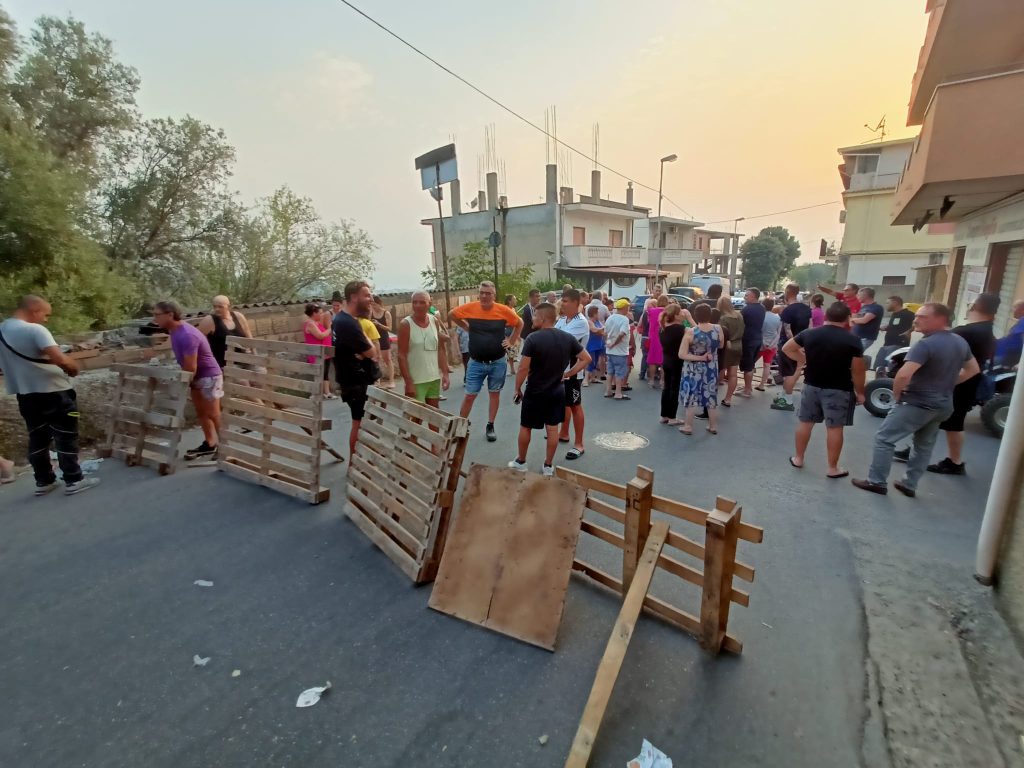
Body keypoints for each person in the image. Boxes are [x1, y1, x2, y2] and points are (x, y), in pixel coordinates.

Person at [852, 303, 979, 497]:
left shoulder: (926, 344)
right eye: (917, 316)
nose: (916, 320)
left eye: (922, 317)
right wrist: (948, 384)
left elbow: (903, 375)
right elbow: (973, 369)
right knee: (924, 445)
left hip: (919, 402)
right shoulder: (959, 341)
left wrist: (897, 395)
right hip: (943, 403)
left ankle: (876, 481)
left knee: (884, 439)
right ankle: (909, 484)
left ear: (941, 319)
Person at [0, 295, 99, 496]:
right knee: (66, 435)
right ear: (34, 310)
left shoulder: (2, 330)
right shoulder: (35, 330)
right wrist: (73, 368)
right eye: (45, 315)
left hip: (25, 394)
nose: (46, 319)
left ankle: (44, 481)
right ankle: (74, 479)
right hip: (54, 391)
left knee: (37, 437)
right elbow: (59, 358)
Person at [782, 302, 866, 478]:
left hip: (811, 385)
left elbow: (787, 348)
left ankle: (798, 458)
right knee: (835, 428)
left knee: (805, 423)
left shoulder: (810, 333)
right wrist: (861, 392)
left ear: (826, 316)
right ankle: (832, 468)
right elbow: (858, 370)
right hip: (839, 389)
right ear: (847, 319)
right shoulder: (853, 340)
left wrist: (804, 359)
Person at [509, 303, 591, 476]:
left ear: (543, 318)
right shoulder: (567, 338)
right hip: (557, 391)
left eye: (535, 316)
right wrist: (568, 373)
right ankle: (548, 465)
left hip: (535, 391)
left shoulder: (533, 339)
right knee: (552, 429)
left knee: (526, 427)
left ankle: (521, 462)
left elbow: (523, 368)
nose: (532, 319)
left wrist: (517, 388)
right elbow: (586, 358)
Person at [923, 292, 999, 475]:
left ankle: (954, 462)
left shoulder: (967, 332)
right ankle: (949, 460)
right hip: (968, 383)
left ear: (974, 306)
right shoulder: (987, 330)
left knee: (948, 421)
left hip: (958, 383)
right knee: (946, 421)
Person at [449, 281, 523, 441]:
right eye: (482, 292)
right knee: (469, 395)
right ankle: (461, 427)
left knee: (494, 394)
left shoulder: (503, 310)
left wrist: (511, 340)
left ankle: (490, 425)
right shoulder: (470, 308)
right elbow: (451, 314)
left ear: (494, 296)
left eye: (488, 293)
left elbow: (519, 323)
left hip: (497, 362)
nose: (484, 295)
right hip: (476, 362)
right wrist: (466, 327)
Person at [153, 300, 223, 461]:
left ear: (170, 314)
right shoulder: (174, 331)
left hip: (208, 376)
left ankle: (226, 447)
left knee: (214, 413)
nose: (154, 318)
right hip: (196, 377)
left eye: (157, 315)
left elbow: (191, 367)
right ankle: (210, 443)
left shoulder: (187, 334)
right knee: (202, 413)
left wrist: (183, 383)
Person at [332, 281, 379, 457]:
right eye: (366, 295)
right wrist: (367, 347)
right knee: (360, 424)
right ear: (353, 297)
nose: (370, 299)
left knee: (361, 423)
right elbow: (371, 351)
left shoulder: (341, 319)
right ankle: (356, 464)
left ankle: (359, 463)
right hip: (356, 382)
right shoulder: (349, 323)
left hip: (352, 381)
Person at [397, 290, 450, 408]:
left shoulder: (434, 321)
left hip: (433, 378)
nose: (418, 306)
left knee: (435, 416)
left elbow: (440, 349)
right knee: (416, 419)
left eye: (422, 302)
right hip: (416, 381)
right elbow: (401, 355)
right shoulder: (406, 324)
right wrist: (408, 382)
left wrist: (445, 373)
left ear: (429, 304)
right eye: (414, 302)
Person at [555, 288, 590, 460]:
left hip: (573, 372)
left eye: (566, 300)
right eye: (562, 300)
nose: (563, 303)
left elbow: (559, 341)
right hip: (560, 371)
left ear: (577, 303)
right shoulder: (562, 320)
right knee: (564, 403)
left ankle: (579, 444)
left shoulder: (580, 322)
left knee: (575, 405)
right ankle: (563, 432)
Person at [678, 302, 722, 435]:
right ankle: (713, 426)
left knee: (691, 395)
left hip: (693, 369)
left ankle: (688, 426)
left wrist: (700, 357)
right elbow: (720, 345)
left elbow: (682, 354)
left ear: (696, 316)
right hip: (711, 367)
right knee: (710, 395)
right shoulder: (718, 328)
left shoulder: (691, 332)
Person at [772, 284, 813, 412]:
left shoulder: (788, 310)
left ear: (787, 292)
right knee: (797, 369)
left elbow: (787, 329)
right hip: (803, 344)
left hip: (788, 345)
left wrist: (794, 344)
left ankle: (787, 400)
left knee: (788, 373)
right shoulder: (806, 308)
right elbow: (810, 326)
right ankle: (784, 395)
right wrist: (805, 344)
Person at [198, 295, 252, 370]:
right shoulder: (209, 321)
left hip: (245, 358)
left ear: (228, 307)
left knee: (262, 375)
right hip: (225, 364)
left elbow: (249, 336)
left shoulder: (238, 316)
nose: (217, 309)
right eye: (215, 306)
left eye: (220, 307)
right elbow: (198, 341)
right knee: (243, 381)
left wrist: (255, 355)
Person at [657, 304, 686, 425]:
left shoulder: (663, 328)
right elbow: (697, 333)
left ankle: (664, 415)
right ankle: (672, 417)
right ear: (676, 315)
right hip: (677, 361)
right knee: (675, 388)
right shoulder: (680, 329)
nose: (683, 314)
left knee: (667, 387)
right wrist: (690, 318)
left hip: (666, 360)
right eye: (681, 312)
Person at [303, 303, 335, 399]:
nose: (321, 315)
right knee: (318, 373)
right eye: (320, 313)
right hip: (317, 353)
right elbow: (320, 335)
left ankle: (327, 392)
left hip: (325, 351)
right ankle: (315, 393)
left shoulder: (317, 323)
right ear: (314, 313)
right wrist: (330, 329)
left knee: (325, 373)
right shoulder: (310, 324)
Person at [875, 296, 915, 373]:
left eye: (888, 303)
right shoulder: (894, 314)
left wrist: (909, 331)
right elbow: (896, 326)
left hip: (898, 345)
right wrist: (886, 327)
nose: (886, 305)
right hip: (886, 345)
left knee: (890, 369)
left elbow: (917, 323)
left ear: (895, 303)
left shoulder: (908, 314)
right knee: (878, 367)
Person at [717, 295, 744, 407]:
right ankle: (728, 399)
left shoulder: (723, 319)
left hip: (726, 346)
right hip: (738, 345)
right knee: (733, 374)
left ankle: (712, 396)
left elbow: (721, 334)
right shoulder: (739, 315)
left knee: (720, 370)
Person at [739, 288, 765, 397]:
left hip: (748, 340)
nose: (745, 297)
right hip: (757, 338)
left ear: (753, 296)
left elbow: (739, 323)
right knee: (751, 364)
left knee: (747, 366)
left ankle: (747, 390)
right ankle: (747, 386)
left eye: (747, 295)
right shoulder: (762, 308)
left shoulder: (746, 309)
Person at [604, 299, 632, 400]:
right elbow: (622, 333)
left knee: (610, 371)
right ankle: (618, 392)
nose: (628, 309)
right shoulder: (624, 319)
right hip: (620, 351)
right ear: (624, 308)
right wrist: (614, 343)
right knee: (619, 372)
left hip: (610, 351)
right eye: (628, 307)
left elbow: (605, 333)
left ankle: (608, 390)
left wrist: (608, 343)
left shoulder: (610, 318)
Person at [756, 296, 782, 391]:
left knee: (751, 364)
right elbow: (778, 333)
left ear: (763, 305)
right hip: (772, 345)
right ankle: (762, 385)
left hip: (760, 345)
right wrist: (771, 344)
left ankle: (748, 385)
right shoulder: (778, 318)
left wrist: (764, 344)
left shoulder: (761, 317)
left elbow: (760, 331)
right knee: (767, 365)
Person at [370, 295, 395, 390]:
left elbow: (389, 328)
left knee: (387, 359)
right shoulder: (370, 312)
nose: (373, 306)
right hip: (374, 338)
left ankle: (391, 381)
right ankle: (378, 381)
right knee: (376, 359)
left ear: (379, 303)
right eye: (372, 304)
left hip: (383, 338)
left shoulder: (386, 313)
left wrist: (379, 324)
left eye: (375, 304)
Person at [849, 287, 884, 353]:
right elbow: (855, 321)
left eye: (859, 295)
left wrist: (852, 319)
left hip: (865, 338)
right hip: (855, 337)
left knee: (854, 354)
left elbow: (864, 320)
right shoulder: (864, 307)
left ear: (865, 296)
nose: (857, 297)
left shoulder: (876, 307)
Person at [646, 295, 669, 387]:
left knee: (652, 360)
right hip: (665, 337)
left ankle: (651, 380)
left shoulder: (651, 311)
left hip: (654, 338)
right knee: (664, 360)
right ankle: (662, 381)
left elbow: (649, 322)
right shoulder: (668, 312)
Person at [995, 299, 1024, 366]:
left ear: (1022, 310)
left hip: (1007, 356)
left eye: (1015, 308)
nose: (1012, 311)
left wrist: (1020, 364)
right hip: (1002, 353)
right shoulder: (1021, 320)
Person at [583, 305, 605, 387]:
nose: (599, 314)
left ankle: (593, 378)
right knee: (590, 362)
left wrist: (601, 330)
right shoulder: (589, 322)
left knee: (595, 362)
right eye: (597, 313)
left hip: (598, 344)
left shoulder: (598, 322)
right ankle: (585, 380)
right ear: (594, 314)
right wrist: (603, 328)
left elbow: (601, 332)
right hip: (591, 345)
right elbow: (594, 330)